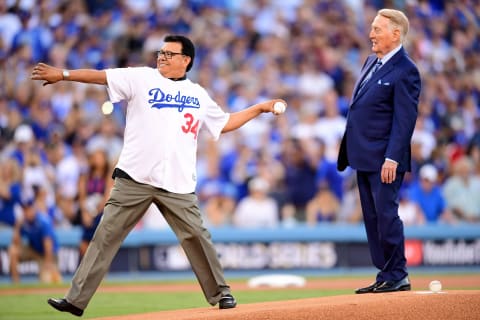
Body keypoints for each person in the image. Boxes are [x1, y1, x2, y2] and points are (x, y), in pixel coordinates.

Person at [31, 34, 287, 316]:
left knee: (197, 237)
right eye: (160, 52)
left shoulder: (198, 94)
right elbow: (101, 76)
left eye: (168, 53)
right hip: (133, 178)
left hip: (177, 183)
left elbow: (224, 123)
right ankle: (75, 300)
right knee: (104, 236)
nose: (161, 57)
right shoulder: (141, 78)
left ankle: (221, 294)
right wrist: (64, 74)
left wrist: (259, 108)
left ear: (185, 60)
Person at [337, 9, 421, 294]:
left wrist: (393, 157)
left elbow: (404, 119)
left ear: (396, 34)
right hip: (364, 156)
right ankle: (386, 273)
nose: (371, 34)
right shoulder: (372, 61)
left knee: (386, 215)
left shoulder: (406, 70)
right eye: (372, 28)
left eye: (377, 29)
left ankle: (398, 273)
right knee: (373, 218)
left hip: (385, 159)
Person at [8, 186, 62, 284]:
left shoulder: (43, 221)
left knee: (47, 281)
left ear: (33, 208)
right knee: (13, 250)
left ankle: (54, 274)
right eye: (24, 209)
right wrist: (17, 226)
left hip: (49, 254)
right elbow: (15, 242)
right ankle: (15, 284)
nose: (26, 211)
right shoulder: (23, 222)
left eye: (28, 208)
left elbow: (48, 245)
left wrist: (47, 265)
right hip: (34, 249)